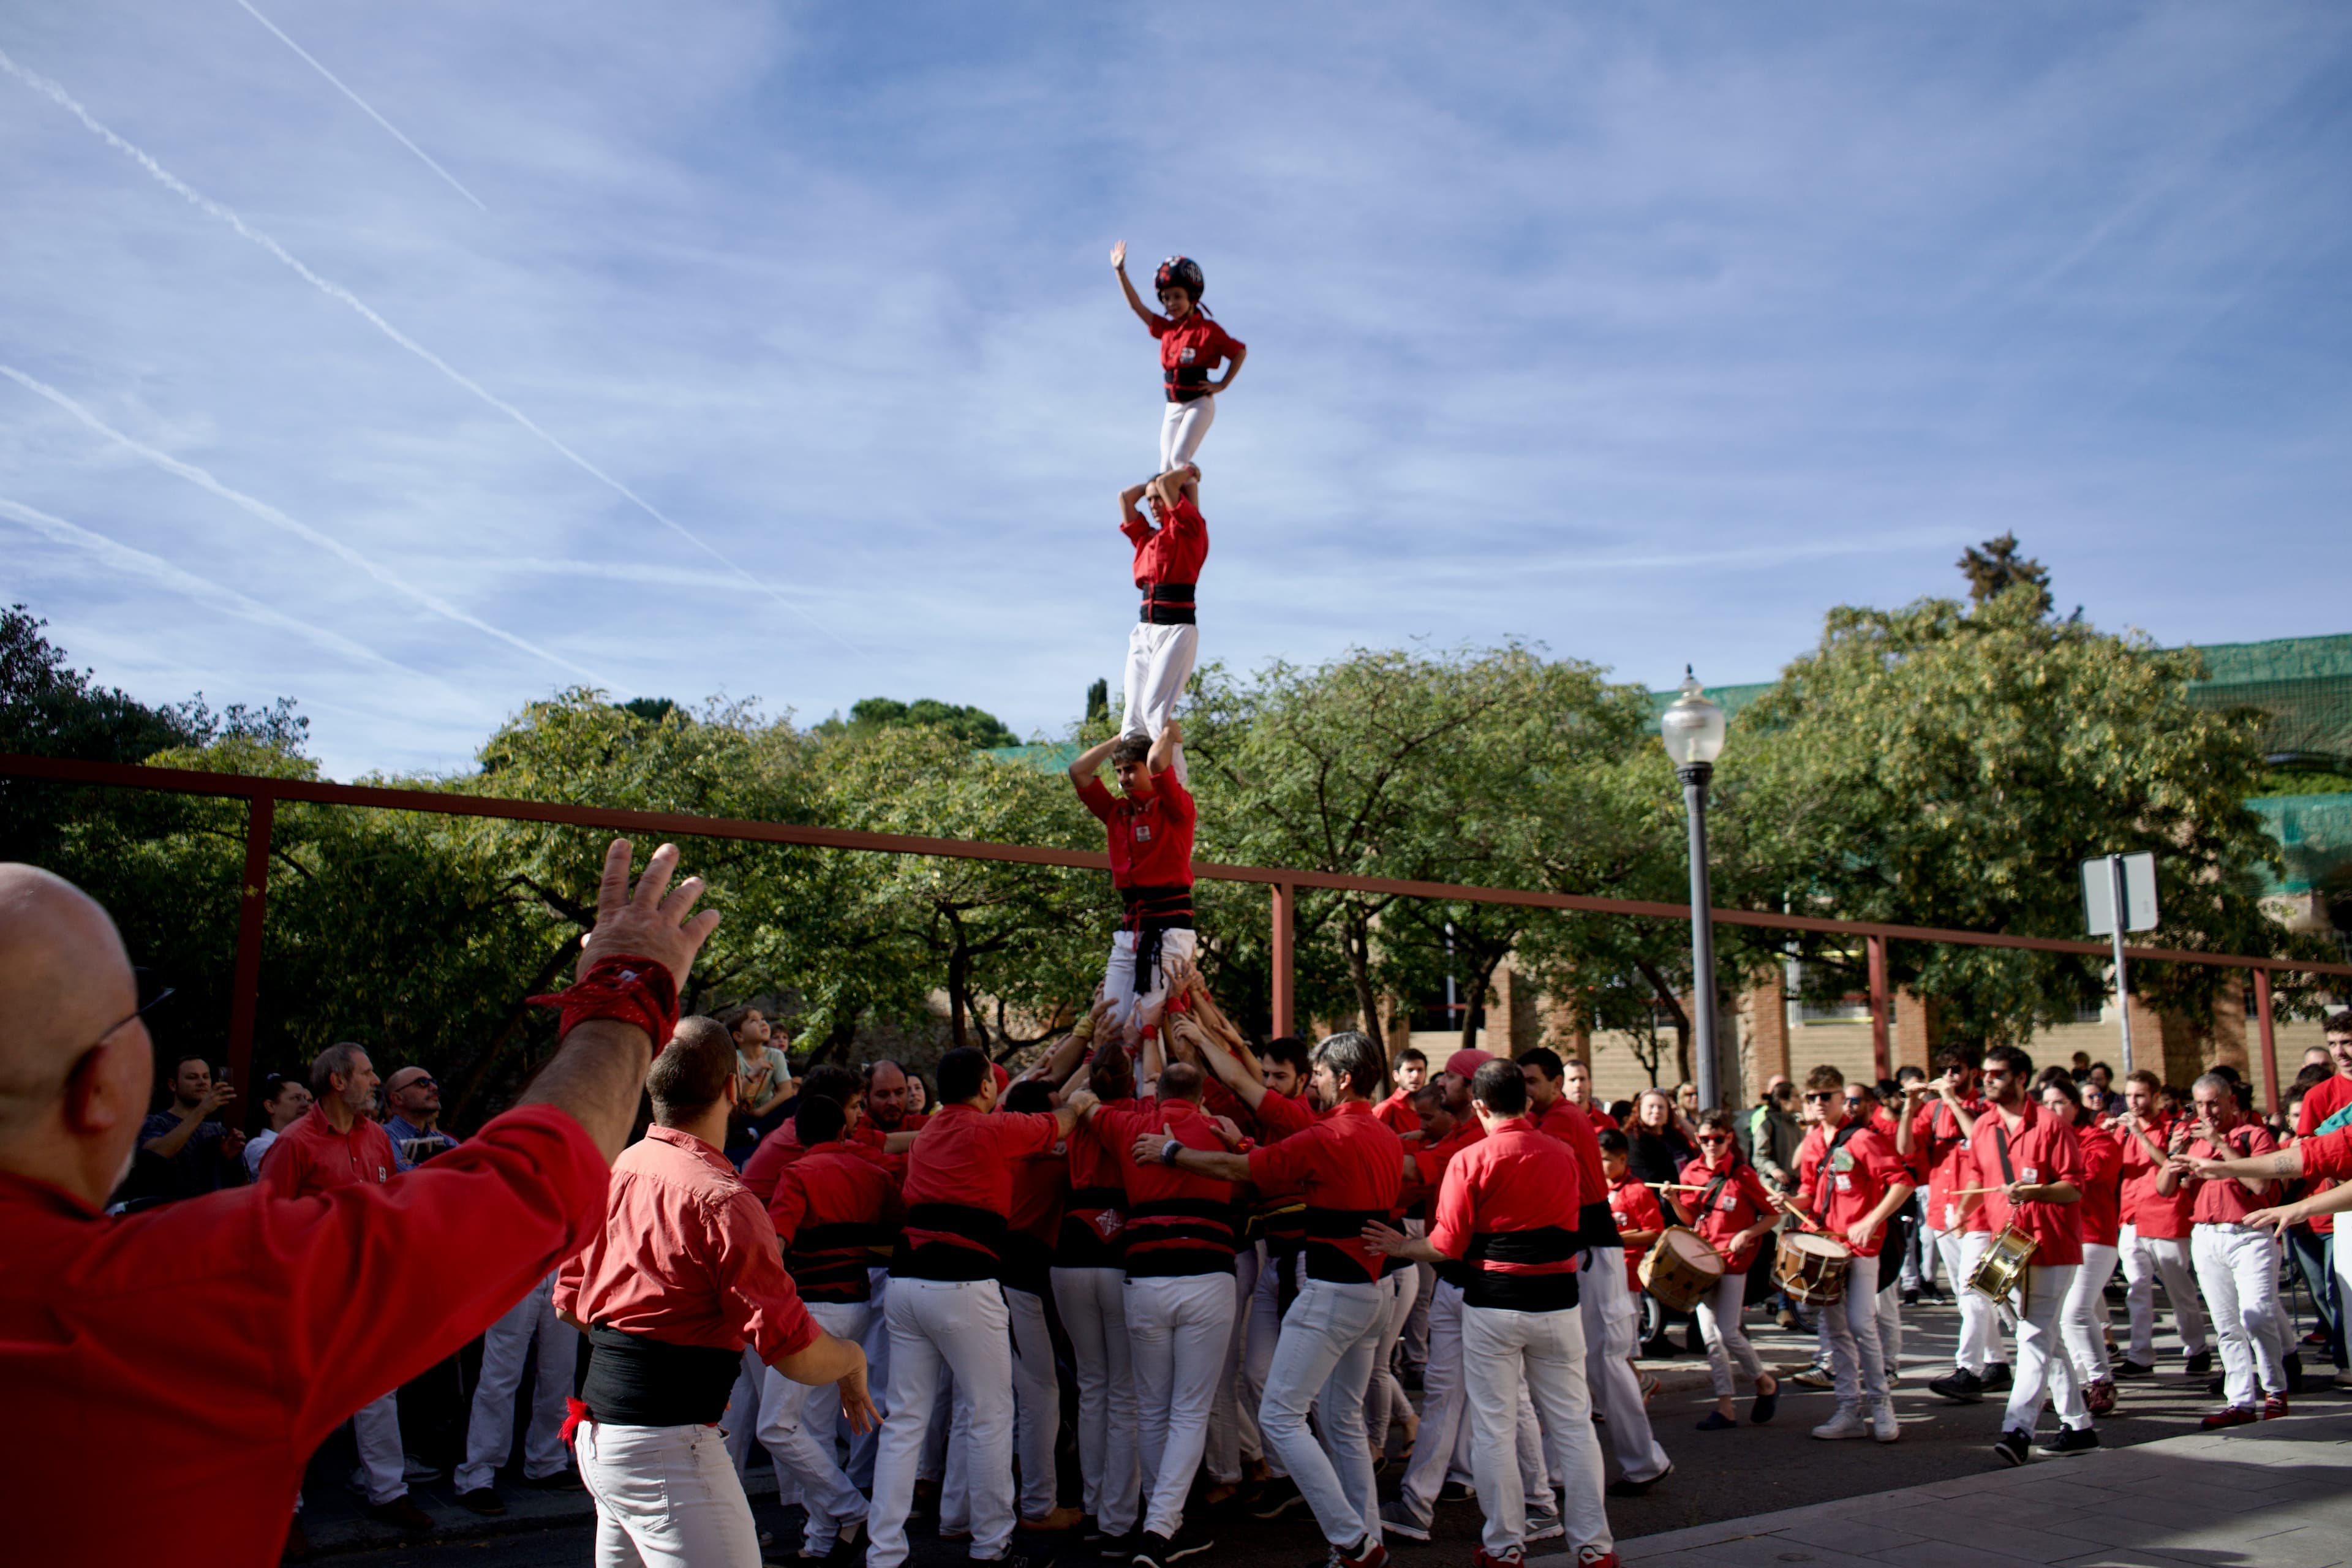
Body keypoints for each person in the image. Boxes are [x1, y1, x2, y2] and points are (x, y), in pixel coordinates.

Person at [0, 837, 720, 1564]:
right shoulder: (186, 1299)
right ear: (98, 1084)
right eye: (137, 1018)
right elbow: (530, 1181)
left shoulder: (349, 1164)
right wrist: (625, 989)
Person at [557, 1015, 875, 1566]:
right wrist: (850, 1359)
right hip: (666, 1449)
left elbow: (571, 1303)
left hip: (602, 1440)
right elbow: (794, 1352)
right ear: (734, 1086)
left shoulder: (618, 1169)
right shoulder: (725, 1200)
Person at [1133, 1031, 1402, 1568]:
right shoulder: (1383, 1137)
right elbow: (1269, 1161)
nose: (1313, 1084)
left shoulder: (1329, 1135)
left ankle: (1352, 1542)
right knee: (1342, 1420)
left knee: (1281, 1416)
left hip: (1332, 1292)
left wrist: (1171, 1152)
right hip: (1371, 1292)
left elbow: (1240, 1172)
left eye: (1320, 1075)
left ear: (1343, 1079)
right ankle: (1361, 1542)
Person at [1366, 1059, 1616, 1568]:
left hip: (1494, 1304)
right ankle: (1594, 1546)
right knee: (1572, 1424)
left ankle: (1504, 1545)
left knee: (1495, 1425)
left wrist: (1401, 1244)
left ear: (1479, 1106)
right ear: (1525, 1102)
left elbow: (1447, 1243)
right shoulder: (1563, 1153)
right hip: (1557, 1302)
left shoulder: (1471, 1158)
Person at [864, 1047, 1099, 1568]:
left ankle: (883, 1552)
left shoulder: (927, 1136)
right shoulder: (992, 1131)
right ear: (986, 1088)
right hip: (964, 1284)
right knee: (992, 1413)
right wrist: (1081, 1105)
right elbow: (1055, 1124)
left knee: (905, 1421)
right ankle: (992, 1545)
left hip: (906, 1283)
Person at [258, 1041, 425, 1529]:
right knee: (297, 1399)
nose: (376, 1082)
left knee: (378, 1391)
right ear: (337, 1081)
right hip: (310, 1292)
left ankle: (388, 1492)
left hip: (368, 1286)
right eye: (367, 1073)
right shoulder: (294, 1143)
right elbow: (266, 1220)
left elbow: (391, 1204)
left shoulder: (376, 1137)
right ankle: (281, 1512)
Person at [1094, 1054, 1243, 1567]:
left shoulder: (1130, 1125)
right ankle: (1161, 1527)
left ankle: (1160, 1519)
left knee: (1153, 1406)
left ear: (1157, 1097)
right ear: (1201, 1096)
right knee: (1189, 1409)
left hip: (1145, 1278)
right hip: (1208, 1275)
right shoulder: (1222, 1134)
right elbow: (1258, 1168)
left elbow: (1085, 1104)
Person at [1518, 1048, 1670, 1496]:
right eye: (1521, 1081)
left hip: (1593, 1250)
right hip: (1583, 1250)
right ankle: (1571, 1468)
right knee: (1579, 1363)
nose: (1526, 1090)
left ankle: (1643, 1461)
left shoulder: (1560, 1119)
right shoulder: (1554, 1117)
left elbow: (1530, 1154)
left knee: (1603, 1362)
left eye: (1532, 1081)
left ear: (1555, 1083)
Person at [762, 1091, 904, 1559]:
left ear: (799, 1136)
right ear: (843, 1130)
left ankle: (850, 1508)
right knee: (815, 1426)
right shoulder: (873, 1174)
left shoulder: (796, 1174)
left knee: (778, 1427)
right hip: (858, 1306)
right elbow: (891, 1226)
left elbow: (776, 1244)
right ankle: (819, 1543)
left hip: (812, 1312)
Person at [1941, 1047, 2095, 1465]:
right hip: (2007, 1244)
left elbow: (2075, 1187)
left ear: (2022, 1078)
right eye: (1985, 1073)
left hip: (2051, 1243)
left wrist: (2037, 1192)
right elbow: (1977, 1175)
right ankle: (2079, 1425)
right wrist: (1963, 1211)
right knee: (2044, 1337)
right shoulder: (1985, 1125)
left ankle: (2018, 1429)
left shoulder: (2051, 1125)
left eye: (1998, 1074)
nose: (1987, 1080)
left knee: (2032, 1336)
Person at [1776, 1064, 1912, 1443]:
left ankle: (1882, 1406)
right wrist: (1790, 1202)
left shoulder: (1864, 1140)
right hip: (1825, 1246)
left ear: (1842, 1099)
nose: (1819, 1103)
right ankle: (1849, 1409)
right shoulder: (1814, 1143)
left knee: (1862, 1325)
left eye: (1827, 1096)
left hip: (1861, 1247)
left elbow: (1902, 1183)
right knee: (1834, 1329)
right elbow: (1809, 1194)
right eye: (1812, 1098)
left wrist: (1872, 1220)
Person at [2160, 1072, 2292, 1425]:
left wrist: (2221, 1144)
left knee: (2258, 1314)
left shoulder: (2255, 1136)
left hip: (2250, 1234)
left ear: (2231, 1101)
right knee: (2226, 1324)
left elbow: (2261, 1185)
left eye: (2213, 1103)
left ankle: (2276, 1390)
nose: (2206, 1111)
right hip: (2207, 1234)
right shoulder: (2193, 1139)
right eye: (2199, 1104)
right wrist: (2175, 1153)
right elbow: (2164, 1188)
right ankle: (2240, 1401)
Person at [1070, 723, 1196, 1035]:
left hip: (1168, 931)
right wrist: (1120, 736)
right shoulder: (1118, 813)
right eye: (1119, 771)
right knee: (1108, 1020)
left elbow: (1157, 765)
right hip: (1131, 931)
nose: (1124, 778)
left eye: (1131, 770)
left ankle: (1156, 1083)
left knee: (1148, 1025)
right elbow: (1078, 772)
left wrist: (1166, 732)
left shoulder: (1175, 809)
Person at [1908, 1052, 2013, 1404]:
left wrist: (1951, 1101)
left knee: (1973, 1293)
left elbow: (1982, 1144)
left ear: (1972, 1072)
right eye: (1944, 1070)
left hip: (1981, 1213)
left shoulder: (1987, 1107)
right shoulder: (1931, 1109)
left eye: (1956, 1070)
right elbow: (1905, 1148)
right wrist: (1910, 1107)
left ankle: (1967, 1369)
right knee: (1967, 1296)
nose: (1949, 1075)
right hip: (1944, 1208)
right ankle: (1997, 1363)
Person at [1670, 1109, 1781, 1429]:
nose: (1711, 1145)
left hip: (1734, 1263)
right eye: (1704, 1139)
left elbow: (1771, 1216)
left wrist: (1747, 1234)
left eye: (1718, 1139)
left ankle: (1765, 1382)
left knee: (1729, 1332)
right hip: (1704, 1262)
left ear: (1729, 1139)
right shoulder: (1690, 1172)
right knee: (1710, 1335)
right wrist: (1675, 1201)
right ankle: (1725, 1406)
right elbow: (1690, 1220)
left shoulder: (1743, 1175)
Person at [1109, 467, 1208, 786]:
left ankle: (1176, 783)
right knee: (1131, 723)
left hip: (1175, 629)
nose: (1152, 504)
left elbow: (1168, 484)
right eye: (1149, 499)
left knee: (1155, 712)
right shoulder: (1146, 539)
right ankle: (1140, 787)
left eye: (1158, 499)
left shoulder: (1190, 531)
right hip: (1144, 631)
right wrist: (1151, 485)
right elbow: (1126, 498)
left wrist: (1182, 473)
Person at [1110, 242, 1246, 473]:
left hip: (1198, 402)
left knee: (1180, 458)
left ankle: (1192, 507)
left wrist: (1222, 384)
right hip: (1173, 405)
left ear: (1192, 297)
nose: (1171, 303)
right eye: (1166, 298)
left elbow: (1239, 352)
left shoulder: (1208, 330)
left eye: (1177, 297)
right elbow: (1136, 306)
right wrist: (1120, 271)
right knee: (1165, 466)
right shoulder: (1167, 329)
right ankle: (1172, 509)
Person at [2111, 1069, 2211, 1378]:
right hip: (2131, 1218)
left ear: (2155, 1096)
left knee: (2179, 1291)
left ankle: (2197, 1349)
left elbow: (2169, 1164)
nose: (2133, 1102)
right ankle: (2141, 1356)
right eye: (2129, 1096)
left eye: (2140, 1095)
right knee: (2137, 1290)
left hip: (2167, 1218)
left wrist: (2140, 1134)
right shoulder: (2123, 1130)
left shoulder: (2175, 1127)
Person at [2041, 1072, 2124, 1417]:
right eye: (2045, 1104)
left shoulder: (2099, 1140)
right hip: (2060, 1238)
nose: (2051, 1109)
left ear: (2076, 1106)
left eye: (2059, 1103)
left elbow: (2079, 1183)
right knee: (2067, 1315)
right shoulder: (2043, 1140)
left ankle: (2101, 1382)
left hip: (2095, 1238)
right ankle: (2077, 1388)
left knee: (2075, 1313)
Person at [130, 1051, 247, 1204]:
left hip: (206, 1215)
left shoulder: (217, 1130)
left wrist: (229, 1157)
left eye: (206, 1077)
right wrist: (202, 1110)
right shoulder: (155, 1123)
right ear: (173, 1085)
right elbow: (155, 1156)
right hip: (164, 1214)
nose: (202, 1082)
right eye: (192, 1077)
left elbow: (240, 1184)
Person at [382, 1065, 460, 1170]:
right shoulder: (383, 1137)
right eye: (423, 1082)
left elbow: (473, 1170)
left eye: (433, 1081)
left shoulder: (446, 1141)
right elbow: (405, 1177)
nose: (434, 1087)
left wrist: (417, 1167)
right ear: (397, 1099)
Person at [243, 1071, 312, 1179]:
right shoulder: (259, 1146)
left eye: (305, 1099)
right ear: (270, 1106)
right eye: (296, 1098)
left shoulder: (305, 1141)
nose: (305, 1104)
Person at [1378, 1048, 1427, 1137]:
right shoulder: (1386, 1108)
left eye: (1420, 1070)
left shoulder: (1432, 1108)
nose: (1416, 1076)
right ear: (1396, 1076)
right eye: (1410, 1070)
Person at [1563, 1058, 1618, 1133]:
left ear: (1590, 1083)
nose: (1578, 1085)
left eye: (1582, 1079)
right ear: (1562, 1085)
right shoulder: (1552, 1122)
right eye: (1572, 1080)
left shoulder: (1607, 1123)